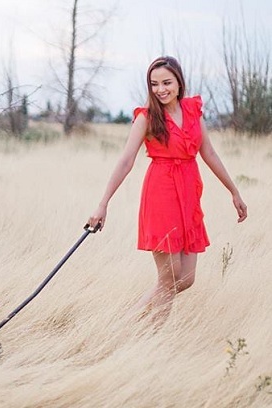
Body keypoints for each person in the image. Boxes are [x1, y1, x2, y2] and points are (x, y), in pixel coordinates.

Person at [87, 56, 248, 325]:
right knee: (169, 277)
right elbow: (126, 161)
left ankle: (127, 322)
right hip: (161, 193)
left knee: (185, 279)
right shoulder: (146, 117)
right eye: (154, 84)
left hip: (189, 193)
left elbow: (208, 153)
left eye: (166, 83)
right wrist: (103, 203)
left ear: (179, 82)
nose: (160, 89)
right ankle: (145, 334)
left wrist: (234, 191)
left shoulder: (193, 110)